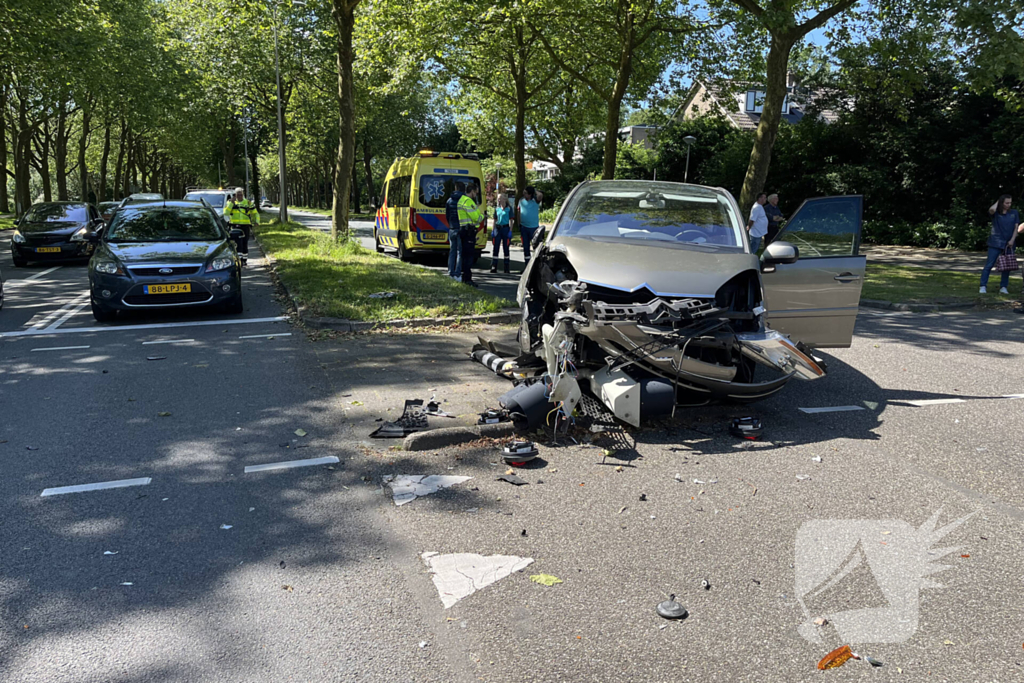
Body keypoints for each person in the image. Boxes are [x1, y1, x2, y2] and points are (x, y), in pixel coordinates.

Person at [981, 195, 1024, 294]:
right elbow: (991, 209)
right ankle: (983, 285)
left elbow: (1016, 227)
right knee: (989, 264)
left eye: (1010, 202)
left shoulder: (1014, 213)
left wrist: (1012, 240)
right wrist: (998, 201)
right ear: (1001, 203)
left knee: (1007, 266)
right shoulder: (996, 213)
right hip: (995, 242)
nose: (1009, 205)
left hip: (1008, 243)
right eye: (1006, 203)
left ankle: (1003, 287)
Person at [457, 182, 485, 286]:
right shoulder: (468, 201)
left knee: (465, 255)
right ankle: (467, 279)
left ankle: (465, 277)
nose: (476, 195)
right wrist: (482, 216)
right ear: (472, 191)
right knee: (468, 257)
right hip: (469, 232)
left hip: (464, 230)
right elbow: (476, 217)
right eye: (476, 193)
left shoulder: (462, 200)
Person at [224, 188, 258, 264]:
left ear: (243, 194)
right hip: (235, 226)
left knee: (245, 242)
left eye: (241, 194)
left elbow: (255, 213)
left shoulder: (248, 203)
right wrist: (231, 204)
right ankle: (239, 260)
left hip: (246, 226)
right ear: (235, 195)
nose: (239, 196)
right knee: (238, 243)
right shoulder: (230, 202)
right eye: (238, 194)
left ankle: (244, 259)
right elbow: (226, 213)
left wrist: (257, 221)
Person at [445, 184, 465, 281]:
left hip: (452, 228)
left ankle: (450, 271)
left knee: (452, 251)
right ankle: (457, 272)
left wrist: (450, 224)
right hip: (460, 228)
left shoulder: (449, 200)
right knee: (459, 251)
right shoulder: (464, 200)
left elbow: (447, 215)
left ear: (455, 188)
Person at [490, 193, 512, 274]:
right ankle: (494, 266)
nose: (499, 200)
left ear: (504, 199)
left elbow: (511, 220)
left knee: (506, 248)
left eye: (500, 198)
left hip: (506, 229)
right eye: (498, 198)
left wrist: (510, 231)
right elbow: (495, 220)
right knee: (496, 248)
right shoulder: (497, 209)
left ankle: (506, 267)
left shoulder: (509, 209)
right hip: (498, 229)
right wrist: (493, 230)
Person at [518, 186, 541, 264]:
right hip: (524, 227)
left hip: (533, 228)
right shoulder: (521, 201)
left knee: (536, 247)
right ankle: (527, 265)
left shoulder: (535, 201)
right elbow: (518, 212)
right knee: (526, 248)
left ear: (530, 194)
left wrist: (535, 191)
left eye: (525, 193)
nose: (524, 194)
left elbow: (540, 196)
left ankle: (536, 265)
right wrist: (519, 224)